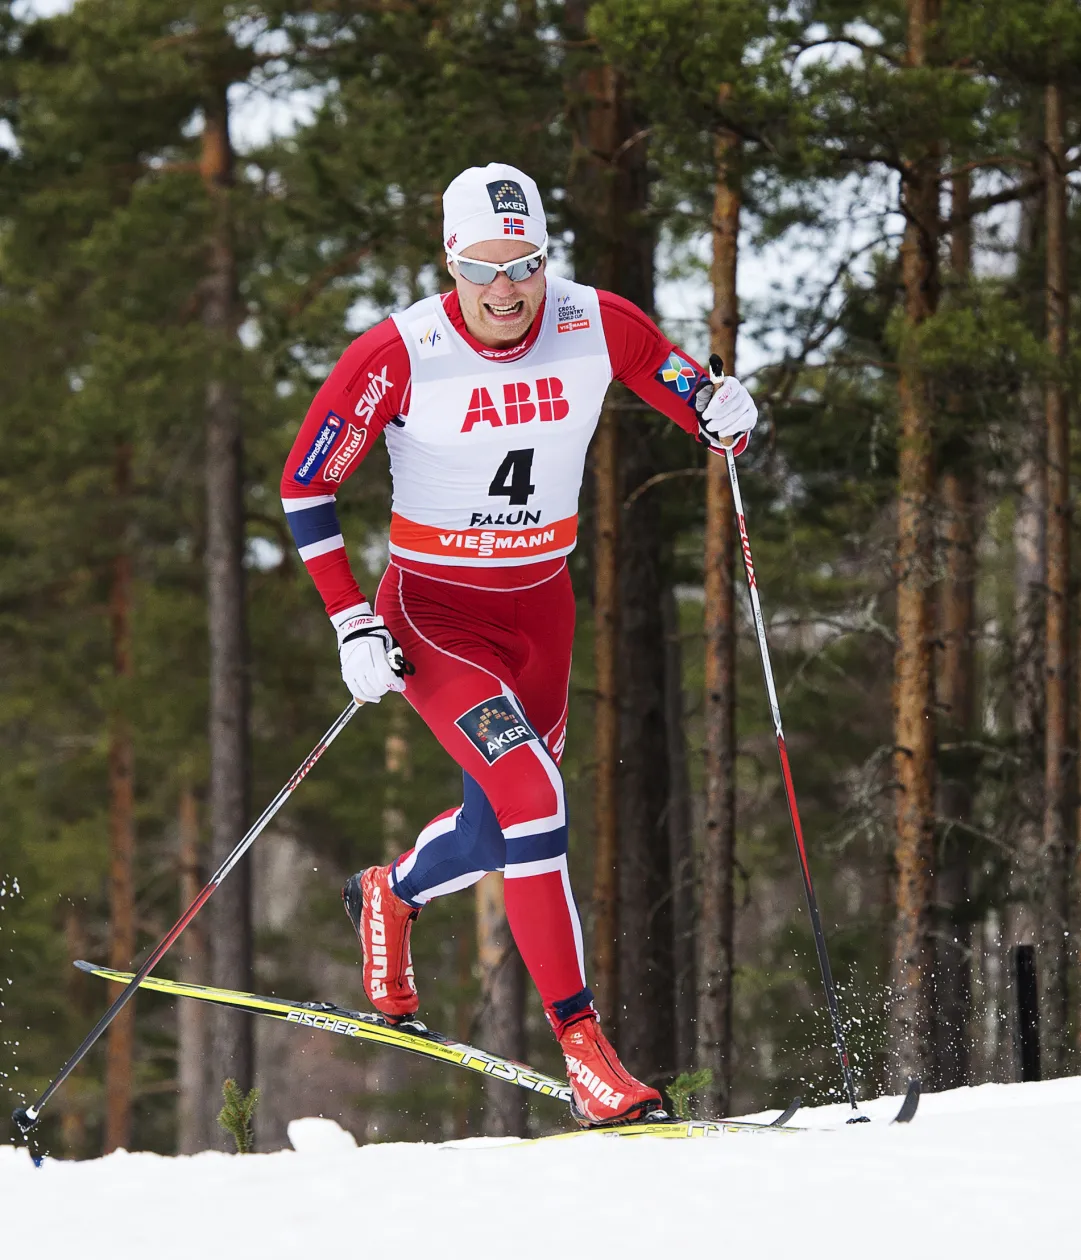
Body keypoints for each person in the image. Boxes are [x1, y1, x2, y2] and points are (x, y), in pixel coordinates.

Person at [280, 162, 758, 1126]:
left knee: (504, 827)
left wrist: (727, 416)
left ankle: (393, 892)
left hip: (542, 608)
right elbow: (305, 486)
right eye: (483, 266)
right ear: (450, 261)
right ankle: (585, 1052)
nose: (506, 289)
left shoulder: (594, 322)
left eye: (526, 263)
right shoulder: (397, 353)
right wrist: (349, 619)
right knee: (537, 802)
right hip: (433, 616)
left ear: (547, 257)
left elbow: (689, 395)